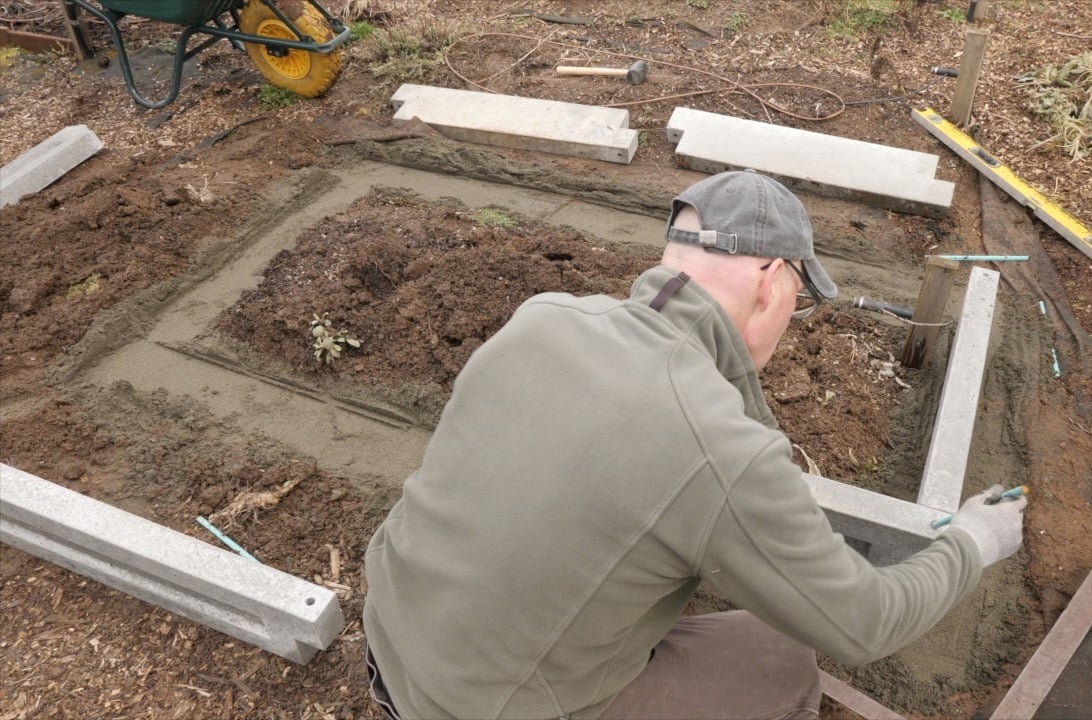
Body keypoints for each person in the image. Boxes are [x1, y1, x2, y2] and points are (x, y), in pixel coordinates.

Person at [362, 170, 1027, 720]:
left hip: (393, 640)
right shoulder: (717, 449)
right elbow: (863, 623)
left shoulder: (545, 317)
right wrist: (972, 541)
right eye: (797, 303)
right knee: (780, 657)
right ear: (771, 285)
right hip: (476, 710)